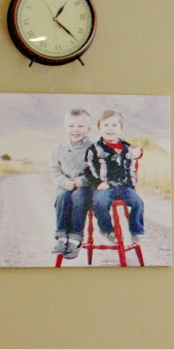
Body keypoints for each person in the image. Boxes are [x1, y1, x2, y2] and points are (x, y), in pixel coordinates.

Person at [87, 108, 145, 242]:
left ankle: (137, 232)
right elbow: (88, 169)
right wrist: (98, 183)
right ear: (99, 128)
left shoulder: (125, 146)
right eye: (105, 125)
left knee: (138, 202)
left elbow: (135, 159)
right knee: (100, 203)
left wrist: (138, 153)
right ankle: (107, 230)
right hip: (104, 187)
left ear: (120, 128)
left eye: (114, 125)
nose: (110, 129)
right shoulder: (94, 149)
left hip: (124, 187)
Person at [49, 106, 96, 259]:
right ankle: (62, 238)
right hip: (66, 185)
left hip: (86, 187)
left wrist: (83, 180)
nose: (75, 130)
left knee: (78, 197)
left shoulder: (94, 148)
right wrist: (64, 182)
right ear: (65, 128)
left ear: (89, 129)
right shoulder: (60, 148)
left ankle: (75, 239)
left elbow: (98, 171)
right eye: (71, 126)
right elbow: (54, 169)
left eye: (81, 126)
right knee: (62, 196)